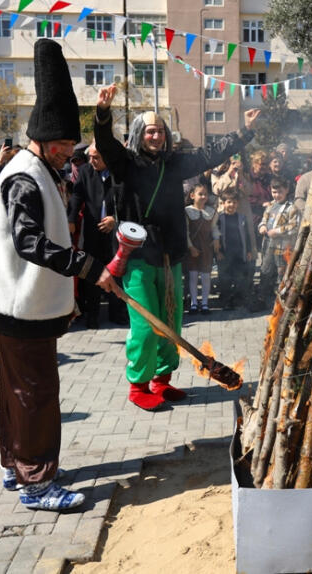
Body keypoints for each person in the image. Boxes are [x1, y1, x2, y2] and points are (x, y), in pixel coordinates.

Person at [0, 39, 119, 511]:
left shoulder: (39, 167)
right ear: (42, 141)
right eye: (62, 148)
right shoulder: (24, 175)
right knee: (34, 394)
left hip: (22, 305)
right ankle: (37, 482)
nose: (67, 155)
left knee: (17, 392)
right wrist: (89, 267)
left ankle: (16, 467)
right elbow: (29, 243)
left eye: (70, 148)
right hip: (18, 307)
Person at [94, 82, 260, 412]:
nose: (155, 136)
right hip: (139, 257)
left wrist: (243, 133)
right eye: (150, 131)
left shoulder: (175, 163)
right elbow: (105, 144)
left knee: (171, 321)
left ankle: (162, 380)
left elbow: (210, 154)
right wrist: (102, 113)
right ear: (140, 134)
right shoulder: (125, 162)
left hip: (170, 256)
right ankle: (138, 384)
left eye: (160, 131)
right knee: (145, 324)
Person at [67, 141, 128, 329]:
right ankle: (92, 315)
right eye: (90, 157)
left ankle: (116, 313)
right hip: (92, 231)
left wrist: (115, 219)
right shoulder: (85, 172)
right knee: (92, 273)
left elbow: (127, 199)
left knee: (115, 272)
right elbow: (77, 196)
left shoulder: (120, 172)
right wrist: (70, 220)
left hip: (114, 233)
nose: (92, 161)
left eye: (96, 157)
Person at [256, 178, 298, 309]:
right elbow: (264, 219)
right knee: (265, 271)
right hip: (268, 245)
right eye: (274, 192)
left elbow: (294, 226)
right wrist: (262, 227)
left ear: (286, 190)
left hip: (282, 247)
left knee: (282, 274)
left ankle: (281, 303)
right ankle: (261, 300)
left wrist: (278, 231)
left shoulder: (292, 208)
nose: (276, 195)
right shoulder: (270, 206)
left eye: (279, 192)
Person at [216, 188, 256, 312]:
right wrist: (218, 252)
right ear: (223, 204)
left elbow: (247, 235)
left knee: (240, 277)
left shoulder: (241, 218)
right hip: (225, 254)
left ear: (237, 204)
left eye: (234, 202)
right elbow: (216, 237)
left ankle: (238, 299)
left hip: (239, 252)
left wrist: (249, 251)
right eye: (228, 202)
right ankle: (226, 301)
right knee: (225, 278)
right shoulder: (219, 219)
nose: (231, 205)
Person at [184, 182, 220, 315]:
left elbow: (214, 228)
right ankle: (194, 303)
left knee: (206, 276)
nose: (203, 196)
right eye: (200, 194)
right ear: (192, 195)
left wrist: (216, 239)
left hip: (206, 248)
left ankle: (205, 303)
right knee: (193, 276)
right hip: (193, 248)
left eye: (205, 194)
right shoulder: (187, 211)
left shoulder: (211, 212)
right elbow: (186, 231)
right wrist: (190, 247)